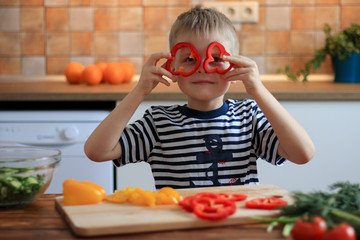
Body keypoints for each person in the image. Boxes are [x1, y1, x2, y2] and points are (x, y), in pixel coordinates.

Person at [84, 6, 315, 189]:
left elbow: (302, 154)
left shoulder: (248, 117)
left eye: (215, 59)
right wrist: (138, 92)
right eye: (190, 59)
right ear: (172, 67)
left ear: (234, 66)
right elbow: (97, 151)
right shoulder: (158, 123)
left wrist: (259, 91)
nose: (203, 68)